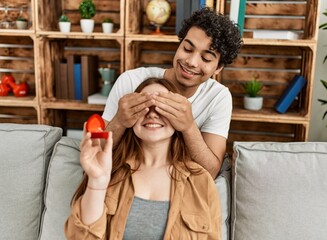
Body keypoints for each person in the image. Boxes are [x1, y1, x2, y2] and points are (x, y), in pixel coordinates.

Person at [65, 78, 222, 239]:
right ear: (130, 118)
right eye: (142, 106)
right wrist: (96, 181)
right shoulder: (110, 172)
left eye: (162, 107)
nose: (152, 113)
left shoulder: (200, 180)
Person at [103, 7, 243, 178]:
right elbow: (96, 152)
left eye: (206, 58)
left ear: (219, 67)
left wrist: (189, 127)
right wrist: (119, 121)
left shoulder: (218, 97)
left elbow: (211, 172)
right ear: (179, 44)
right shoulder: (131, 81)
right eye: (187, 49)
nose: (191, 62)